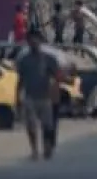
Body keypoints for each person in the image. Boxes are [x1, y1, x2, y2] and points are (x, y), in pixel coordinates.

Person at [15, 30, 62, 160]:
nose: (34, 42)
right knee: (31, 125)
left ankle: (47, 147)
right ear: (28, 42)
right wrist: (17, 97)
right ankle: (34, 150)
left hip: (46, 97)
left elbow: (57, 76)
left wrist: (56, 88)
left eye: (36, 39)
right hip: (30, 96)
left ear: (41, 41)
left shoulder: (49, 59)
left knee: (47, 125)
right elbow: (20, 80)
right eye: (31, 40)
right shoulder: (24, 60)